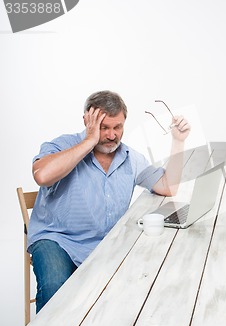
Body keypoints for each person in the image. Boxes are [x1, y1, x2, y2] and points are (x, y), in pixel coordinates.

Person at [28, 90, 190, 312]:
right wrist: (89, 140)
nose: (112, 135)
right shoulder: (62, 145)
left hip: (102, 244)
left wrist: (178, 142)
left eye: (118, 127)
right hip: (57, 240)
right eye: (104, 128)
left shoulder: (130, 158)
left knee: (146, 282)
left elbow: (168, 186)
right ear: (88, 120)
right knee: (56, 286)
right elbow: (42, 176)